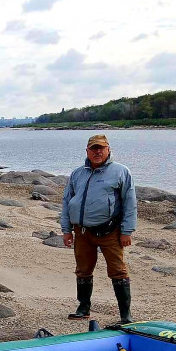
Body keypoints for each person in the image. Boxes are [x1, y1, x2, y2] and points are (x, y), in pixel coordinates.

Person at [59, 134, 137, 324]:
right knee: (83, 270)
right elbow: (67, 201)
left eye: (101, 148)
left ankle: (126, 316)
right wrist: (66, 229)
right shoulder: (78, 173)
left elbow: (130, 202)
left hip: (110, 232)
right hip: (82, 232)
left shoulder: (121, 172)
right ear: (87, 151)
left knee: (118, 271)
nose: (98, 152)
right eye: (94, 148)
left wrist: (127, 231)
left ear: (108, 149)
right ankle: (83, 308)